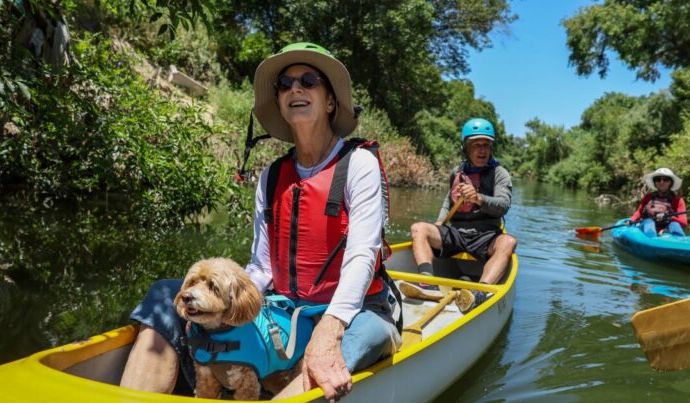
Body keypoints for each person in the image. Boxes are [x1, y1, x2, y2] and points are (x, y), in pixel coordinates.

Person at [119, 42, 400, 402]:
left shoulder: (359, 165)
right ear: (281, 103)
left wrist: (330, 327)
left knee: (340, 348)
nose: (295, 88)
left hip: (357, 312)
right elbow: (262, 266)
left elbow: (362, 254)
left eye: (309, 80)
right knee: (163, 295)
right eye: (284, 84)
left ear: (330, 102)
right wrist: (220, 301)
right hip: (283, 308)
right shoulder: (270, 177)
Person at [408, 118, 517, 312]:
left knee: (508, 242)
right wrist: (441, 221)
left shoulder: (500, 174)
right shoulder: (456, 172)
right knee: (419, 229)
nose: (482, 150)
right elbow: (449, 200)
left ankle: (479, 293)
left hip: (486, 236)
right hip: (456, 233)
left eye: (486, 145)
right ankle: (428, 284)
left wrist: (479, 198)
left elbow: (503, 205)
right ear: (466, 148)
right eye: (476, 145)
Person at [627, 167, 687, 237]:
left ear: (670, 182)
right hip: (647, 226)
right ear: (655, 182)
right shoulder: (648, 197)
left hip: (666, 230)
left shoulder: (678, 200)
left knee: (674, 224)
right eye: (658, 179)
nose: (661, 182)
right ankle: (651, 239)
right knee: (649, 221)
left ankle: (679, 240)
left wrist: (669, 217)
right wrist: (631, 220)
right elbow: (639, 212)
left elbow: (684, 223)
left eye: (666, 180)